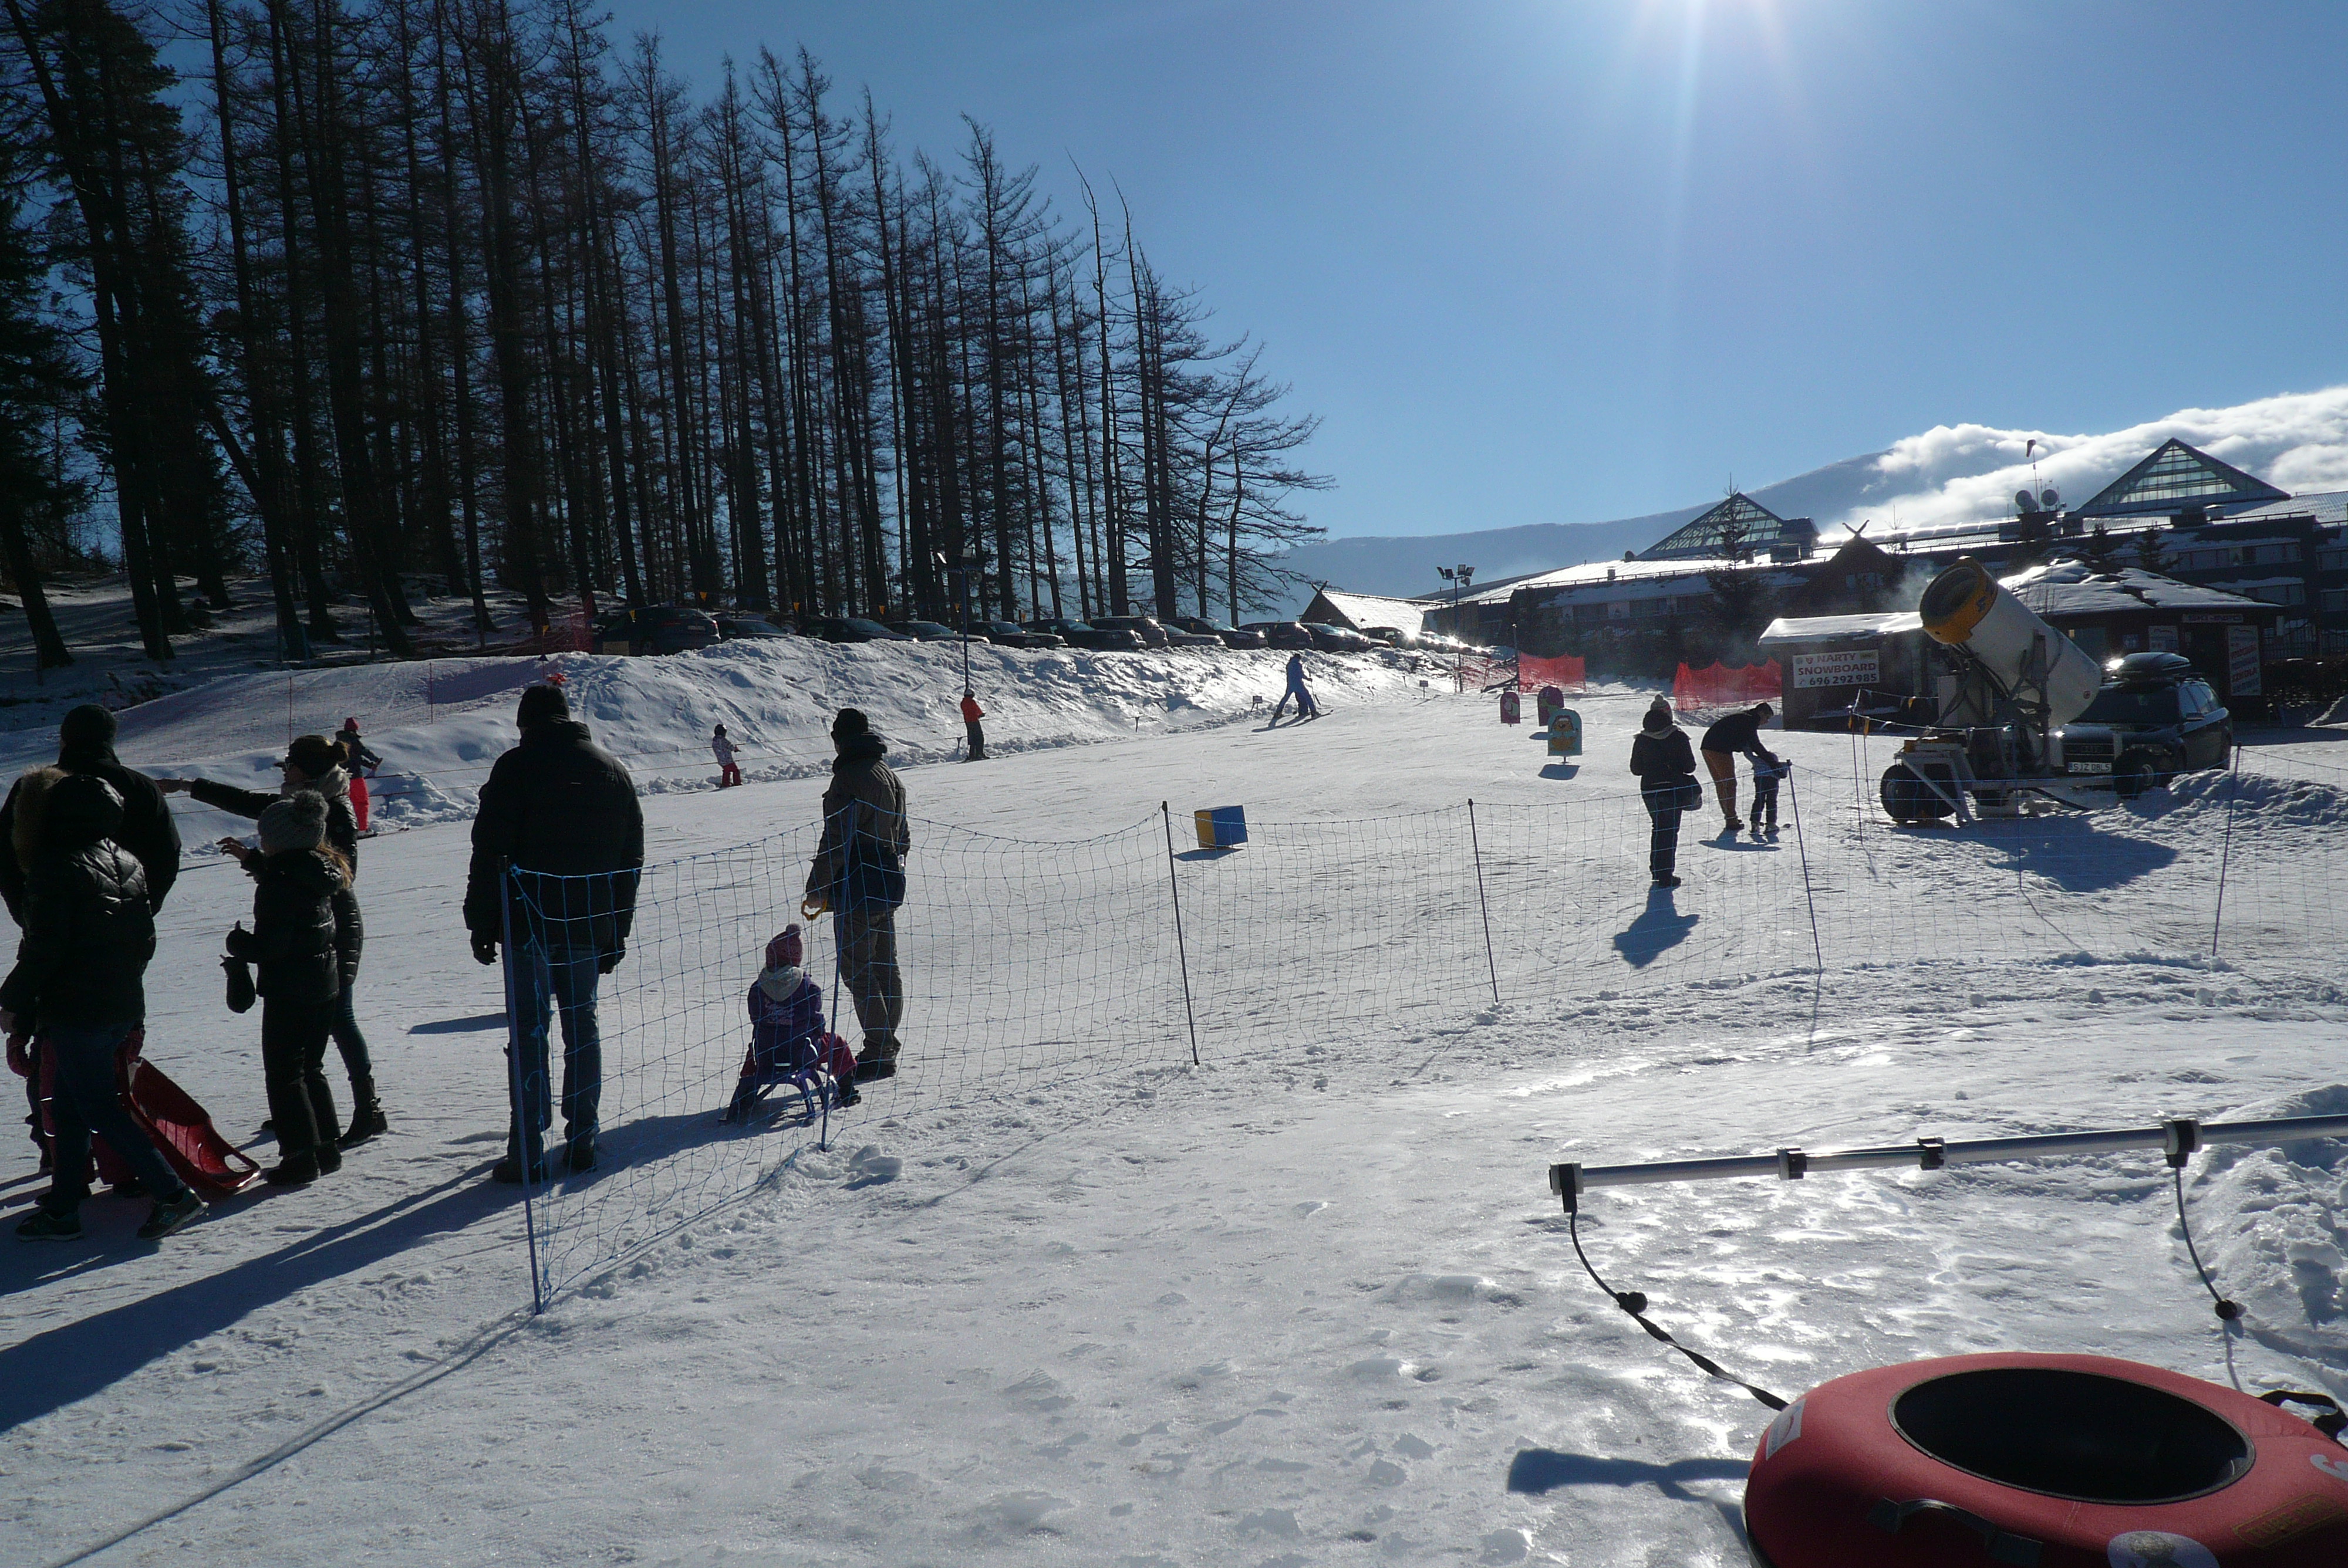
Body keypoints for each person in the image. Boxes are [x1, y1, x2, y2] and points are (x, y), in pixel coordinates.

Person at [3, 772, 204, 1241]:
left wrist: (13, 1002)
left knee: (99, 1107)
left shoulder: (56, 865)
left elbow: (44, 948)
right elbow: (144, 941)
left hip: (78, 1008)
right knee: (71, 1109)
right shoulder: (129, 862)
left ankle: (175, 1196)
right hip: (119, 1002)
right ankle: (65, 1208)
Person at [158, 736, 382, 1148]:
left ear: (308, 770)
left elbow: (331, 876)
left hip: (334, 924)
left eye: (290, 764)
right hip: (312, 918)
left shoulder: (329, 808)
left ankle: (368, 1110)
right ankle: (300, 1110)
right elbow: (252, 807)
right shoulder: (305, 801)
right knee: (319, 1024)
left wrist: (266, 867)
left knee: (337, 1018)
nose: (284, 769)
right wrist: (189, 787)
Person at [464, 684, 643, 1181]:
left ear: (526, 724)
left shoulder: (516, 768)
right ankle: (583, 1138)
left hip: (527, 921)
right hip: (587, 923)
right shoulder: (613, 771)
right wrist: (616, 929)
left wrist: (481, 920)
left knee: (529, 1030)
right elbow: (630, 862)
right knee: (582, 1026)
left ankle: (527, 1150)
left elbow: (489, 850)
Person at [221, 792, 349, 1187]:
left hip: (290, 989)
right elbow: (289, 881)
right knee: (311, 1067)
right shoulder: (318, 869)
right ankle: (326, 1149)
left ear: (279, 841)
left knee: (284, 1075)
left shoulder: (279, 884)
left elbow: (271, 947)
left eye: (265, 838)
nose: (262, 843)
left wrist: (238, 944)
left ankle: (299, 1158)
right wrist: (256, 864)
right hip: (324, 983)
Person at [801, 709, 908, 1082]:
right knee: (885, 967)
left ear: (840, 740)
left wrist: (817, 889)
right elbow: (903, 836)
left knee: (859, 971)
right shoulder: (890, 776)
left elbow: (836, 840)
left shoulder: (848, 779)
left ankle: (880, 1051)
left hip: (856, 885)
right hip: (886, 881)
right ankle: (886, 1044)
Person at [726, 924, 859, 1119]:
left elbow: (756, 1019)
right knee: (837, 1043)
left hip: (766, 1054)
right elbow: (817, 1024)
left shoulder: (758, 988)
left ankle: (745, 1097)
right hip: (801, 1053)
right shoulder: (807, 987)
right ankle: (848, 1090)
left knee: (752, 1053)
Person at [1630, 702, 1700, 888]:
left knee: (1658, 828)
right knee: (1669, 831)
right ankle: (1665, 875)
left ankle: (1657, 871)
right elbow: (1690, 767)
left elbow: (1636, 770)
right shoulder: (1678, 736)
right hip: (1672, 789)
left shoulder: (1641, 740)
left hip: (1650, 790)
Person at [1698, 702, 1775, 833]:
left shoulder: (1745, 718)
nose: (1767, 722)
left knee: (1721, 783)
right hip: (1719, 749)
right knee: (1729, 784)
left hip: (1707, 746)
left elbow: (1749, 745)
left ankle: (1730, 817)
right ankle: (1731, 820)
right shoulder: (1751, 721)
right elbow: (1755, 745)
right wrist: (1773, 763)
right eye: (1767, 718)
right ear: (1761, 713)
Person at [1270, 653, 1320, 724]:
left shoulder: (1289, 665)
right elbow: (1301, 675)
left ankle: (1278, 712)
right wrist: (1308, 679)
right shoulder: (1298, 665)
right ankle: (1313, 712)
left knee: (1285, 698)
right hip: (1299, 684)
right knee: (1308, 697)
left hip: (1290, 684)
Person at [1750, 749, 1789, 838]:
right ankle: (1771, 824)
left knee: (1759, 799)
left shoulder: (1758, 760)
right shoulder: (1776, 764)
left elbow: (1748, 755)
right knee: (1772, 801)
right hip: (1773, 780)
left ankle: (1755, 823)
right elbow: (1784, 772)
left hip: (1760, 779)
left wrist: (1746, 746)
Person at [960, 689, 987, 762]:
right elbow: (976, 710)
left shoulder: (962, 703)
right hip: (974, 721)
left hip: (968, 722)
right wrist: (981, 714)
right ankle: (979, 754)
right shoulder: (972, 702)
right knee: (980, 738)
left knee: (972, 739)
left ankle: (972, 755)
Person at [713, 724, 742, 788]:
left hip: (721, 760)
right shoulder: (723, 740)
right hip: (728, 760)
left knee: (727, 771)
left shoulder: (714, 741)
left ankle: (726, 783)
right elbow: (730, 746)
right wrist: (735, 749)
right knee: (736, 771)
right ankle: (737, 783)